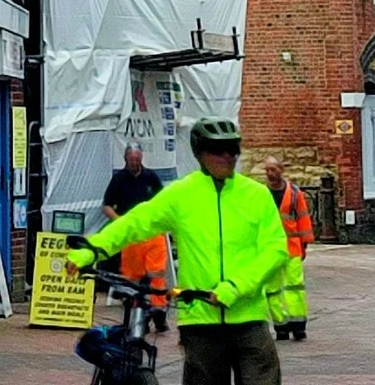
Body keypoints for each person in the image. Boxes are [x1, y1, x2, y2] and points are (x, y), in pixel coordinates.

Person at [70, 119, 289, 385]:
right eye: (218, 150)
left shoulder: (256, 195)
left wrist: (235, 286)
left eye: (233, 150)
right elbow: (136, 221)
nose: (227, 157)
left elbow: (275, 249)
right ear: (199, 153)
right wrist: (93, 250)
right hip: (200, 321)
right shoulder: (182, 194)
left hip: (249, 318)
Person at [102, 146, 171, 328]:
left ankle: (159, 311)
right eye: (131, 159)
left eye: (137, 159)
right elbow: (107, 206)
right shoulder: (118, 179)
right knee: (132, 277)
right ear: (125, 159)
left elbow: (163, 203)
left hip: (152, 234)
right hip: (131, 236)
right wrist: (121, 223)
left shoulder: (151, 177)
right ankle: (138, 313)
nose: (134, 163)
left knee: (156, 273)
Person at [258, 157, 314, 342]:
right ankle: (280, 324)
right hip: (270, 249)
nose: (269, 173)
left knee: (294, 286)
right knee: (272, 289)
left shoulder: (295, 194)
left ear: (282, 169)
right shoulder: (260, 194)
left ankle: (298, 325)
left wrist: (304, 244)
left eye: (273, 169)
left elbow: (303, 219)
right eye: (267, 169)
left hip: (292, 248)